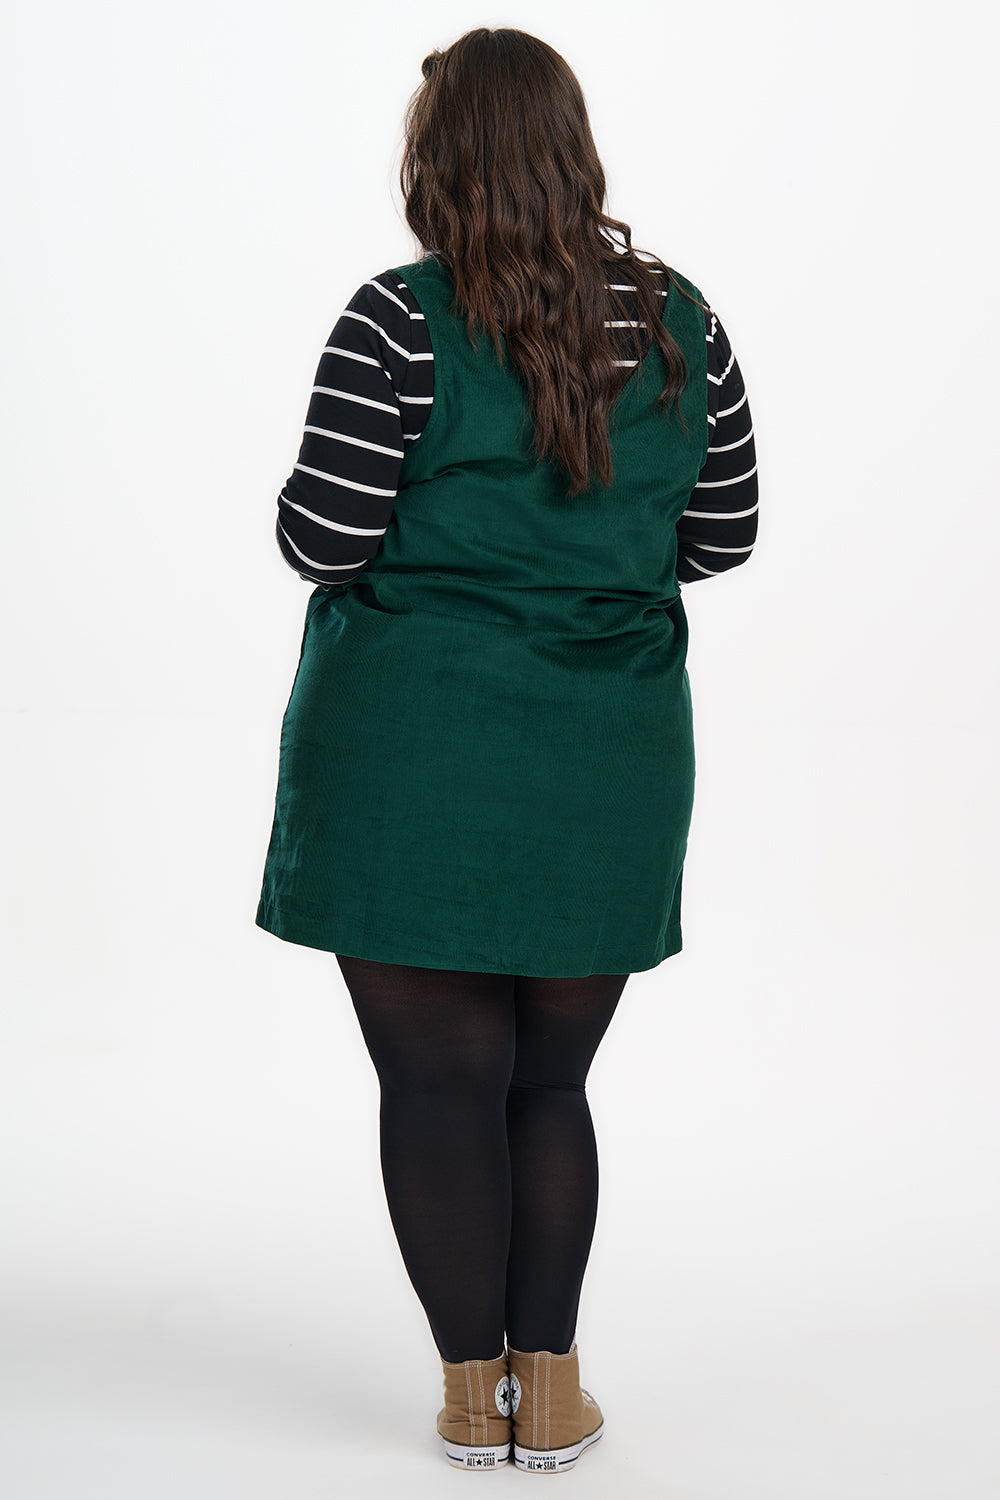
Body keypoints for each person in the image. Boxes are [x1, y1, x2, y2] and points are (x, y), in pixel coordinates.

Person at [255, 26, 758, 1474]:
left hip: (411, 754)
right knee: (550, 1087)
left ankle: (473, 1400)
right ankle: (559, 1387)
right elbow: (719, 536)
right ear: (571, 150)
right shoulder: (678, 323)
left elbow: (324, 538)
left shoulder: (396, 321)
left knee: (436, 1088)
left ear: (436, 163)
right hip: (606, 754)